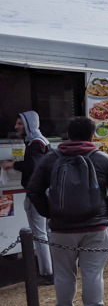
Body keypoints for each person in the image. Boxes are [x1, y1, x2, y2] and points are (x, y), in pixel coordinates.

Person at [27, 117, 108, 306]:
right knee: (92, 272)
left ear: (68, 135)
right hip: (96, 229)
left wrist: (49, 213)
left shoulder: (50, 159)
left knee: (63, 273)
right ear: (92, 135)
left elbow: (33, 190)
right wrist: (106, 213)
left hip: (61, 229)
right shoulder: (104, 159)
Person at [1, 111, 53, 284]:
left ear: (29, 125)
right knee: (47, 232)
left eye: (20, 124)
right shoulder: (41, 141)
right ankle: (55, 269)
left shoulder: (36, 144)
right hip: (46, 192)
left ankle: (46, 273)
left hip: (36, 194)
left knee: (39, 235)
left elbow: (34, 165)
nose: (16, 127)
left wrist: (12, 164)